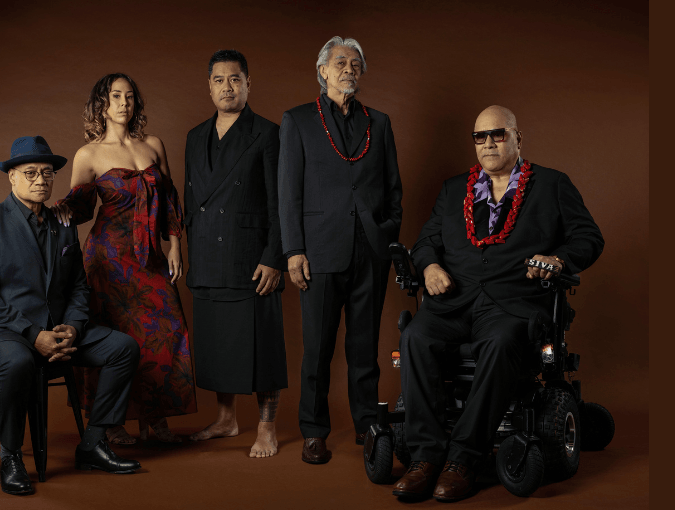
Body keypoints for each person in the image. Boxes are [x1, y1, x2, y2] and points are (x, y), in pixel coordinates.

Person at [391, 106, 605, 502]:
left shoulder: (553, 185)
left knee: (502, 341)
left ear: (517, 138)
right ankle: (425, 459)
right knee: (416, 337)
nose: (488, 142)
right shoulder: (454, 189)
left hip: (514, 304)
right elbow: (424, 243)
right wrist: (431, 264)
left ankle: (463, 461)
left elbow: (589, 238)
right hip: (454, 302)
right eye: (480, 136)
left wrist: (560, 260)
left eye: (498, 134)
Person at [0, 136, 142, 496]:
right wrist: (32, 334)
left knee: (124, 348)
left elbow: (78, 287)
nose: (41, 180)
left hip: (58, 328)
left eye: (47, 173)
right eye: (30, 173)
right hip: (0, 332)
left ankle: (92, 443)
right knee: (17, 360)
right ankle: (10, 457)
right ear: (11, 177)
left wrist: (72, 329)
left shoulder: (63, 224)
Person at [52, 73, 196, 445]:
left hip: (150, 255)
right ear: (102, 103)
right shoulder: (90, 154)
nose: (124, 103)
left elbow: (169, 199)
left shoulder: (153, 144)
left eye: (130, 96)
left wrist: (175, 244)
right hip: (108, 259)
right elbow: (80, 208)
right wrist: (62, 207)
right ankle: (111, 423)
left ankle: (155, 419)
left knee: (165, 331)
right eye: (116, 96)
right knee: (115, 336)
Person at [278, 36, 403, 464]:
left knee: (365, 348)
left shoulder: (379, 123)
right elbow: (287, 192)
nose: (348, 69)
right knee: (317, 348)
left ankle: (368, 421)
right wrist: (293, 249)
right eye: (340, 63)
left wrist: (387, 235)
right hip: (319, 251)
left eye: (355, 64)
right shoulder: (297, 120)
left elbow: (393, 189)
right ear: (323, 72)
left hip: (371, 249)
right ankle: (314, 430)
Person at [183, 49, 287, 458]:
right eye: (220, 80)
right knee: (219, 344)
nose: (228, 87)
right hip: (208, 255)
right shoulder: (194, 136)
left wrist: (275, 256)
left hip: (251, 258)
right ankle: (227, 419)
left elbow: (282, 202)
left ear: (248, 84)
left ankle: (267, 426)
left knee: (262, 347)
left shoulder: (268, 132)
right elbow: (191, 201)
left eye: (235, 79)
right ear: (209, 86)